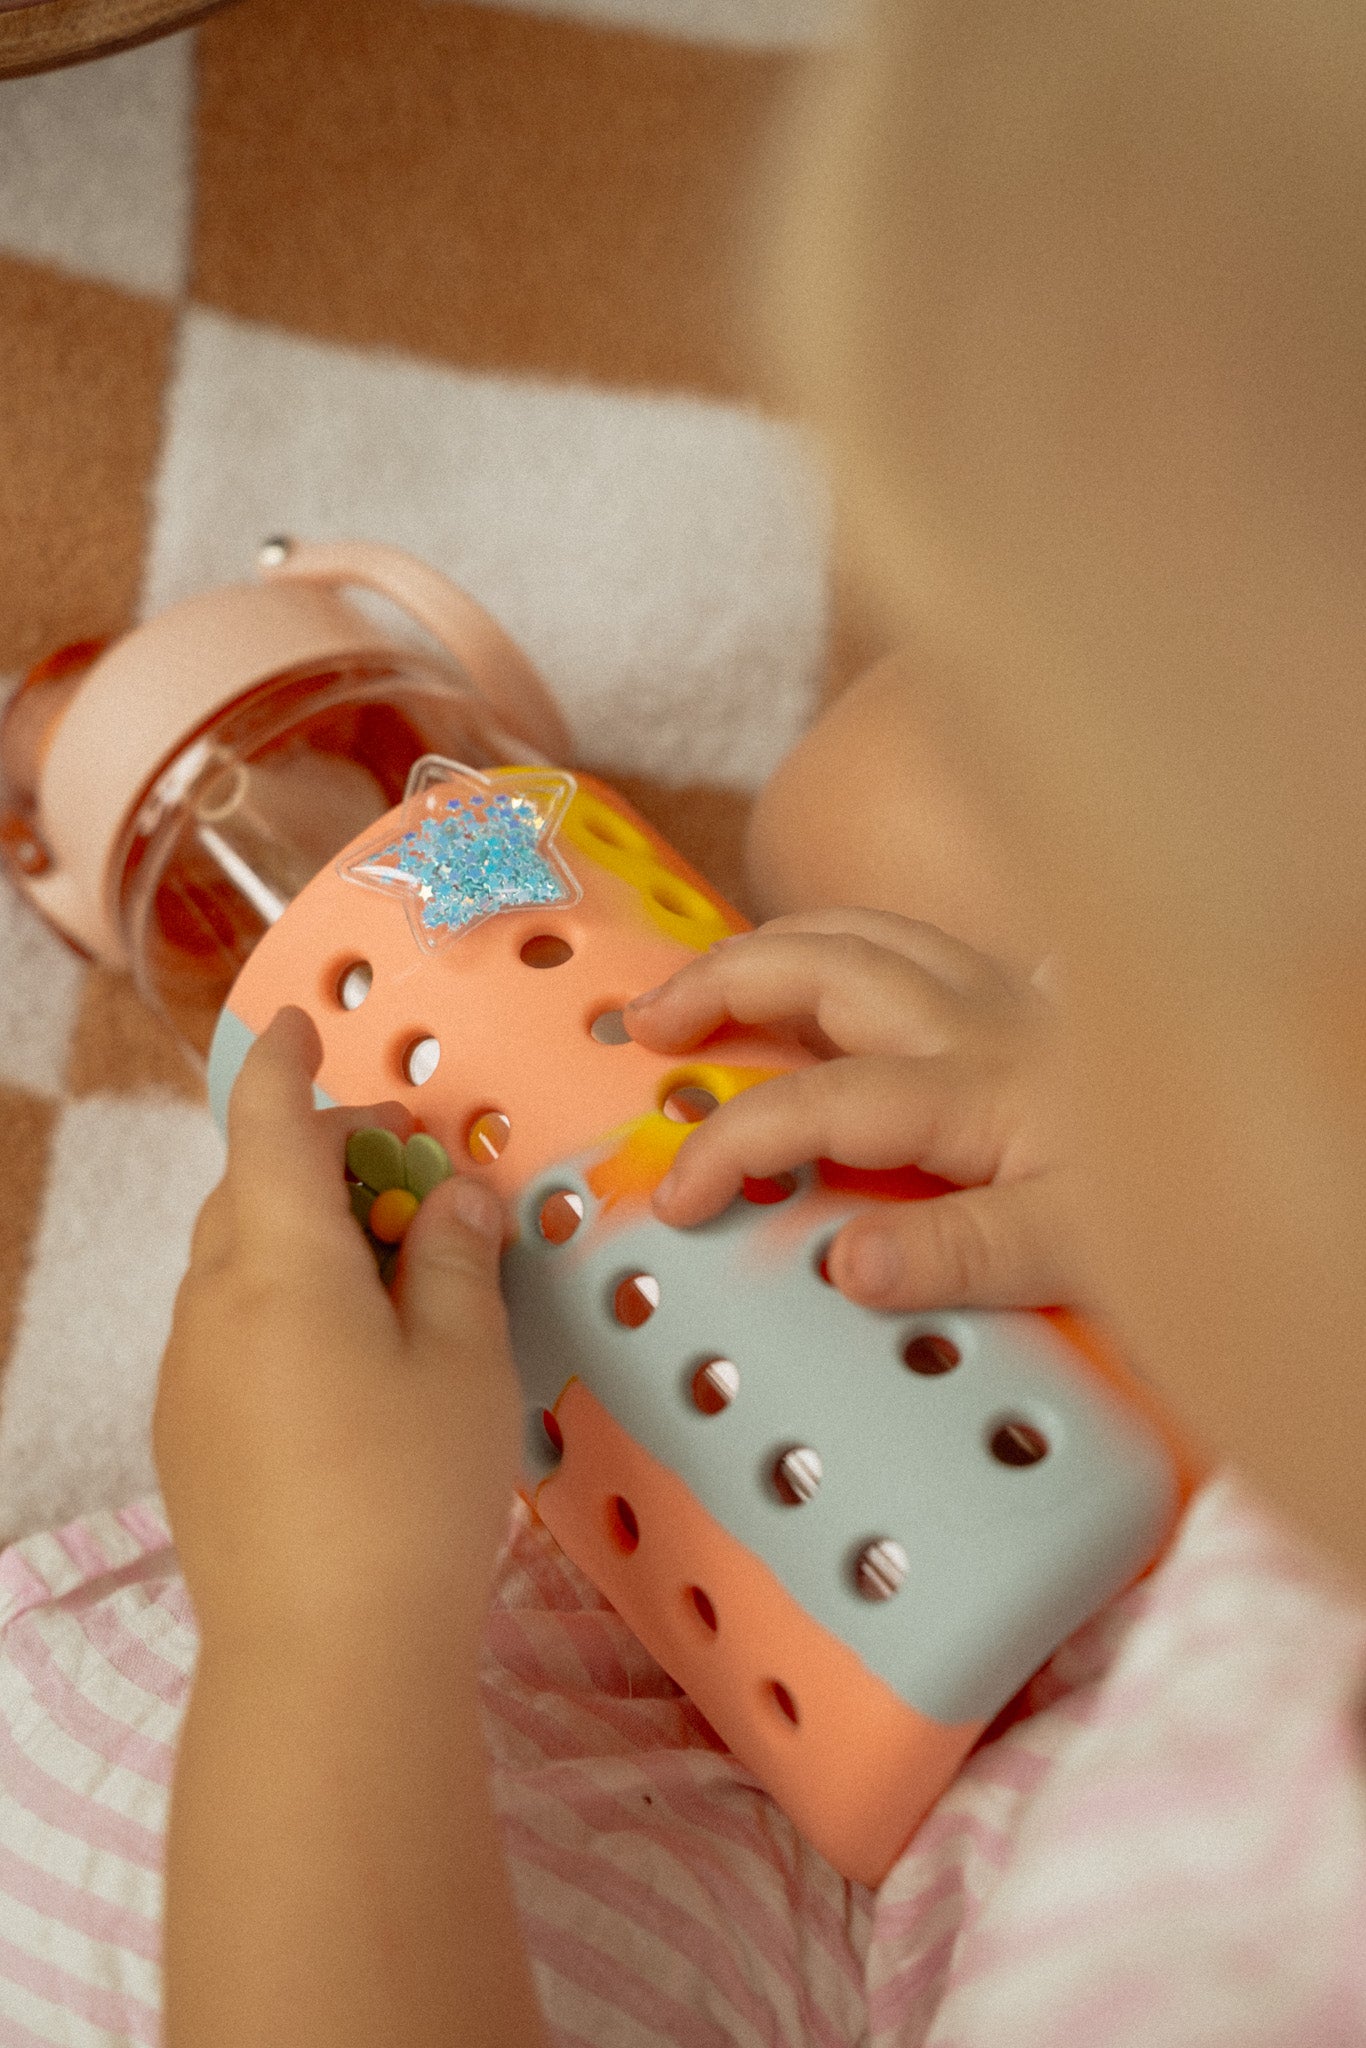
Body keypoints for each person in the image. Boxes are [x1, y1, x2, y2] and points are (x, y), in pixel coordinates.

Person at [7, 2, 1366, 2042]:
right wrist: (1158, 1155)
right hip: (1174, 1450)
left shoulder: (1203, 1970)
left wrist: (324, 1632)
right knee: (886, 818)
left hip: (857, 1882)